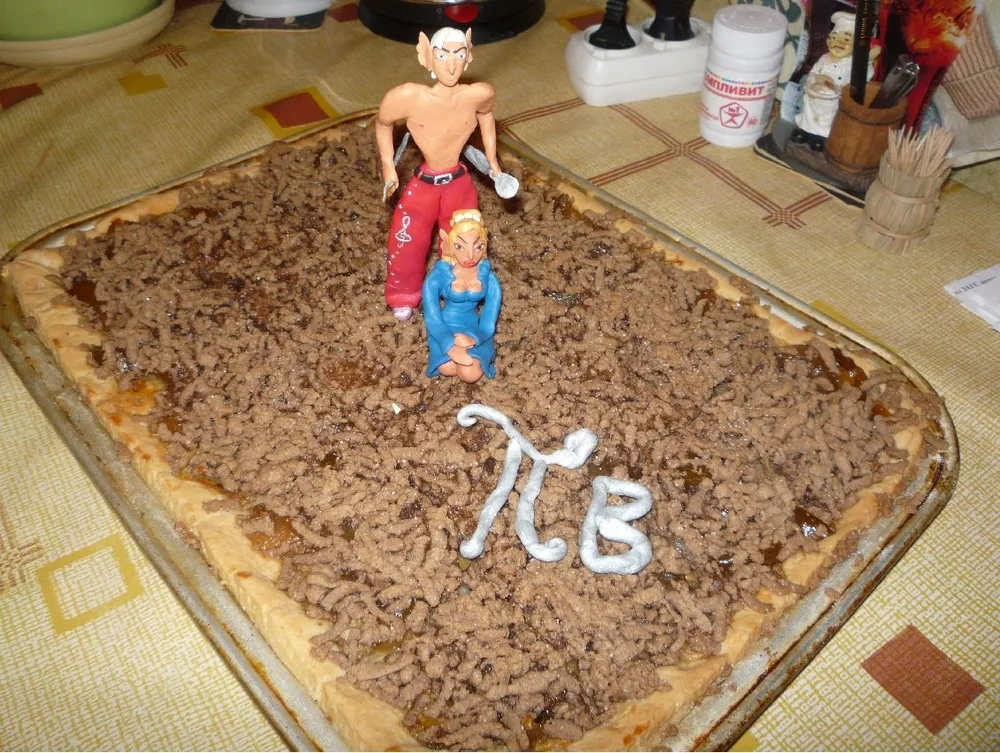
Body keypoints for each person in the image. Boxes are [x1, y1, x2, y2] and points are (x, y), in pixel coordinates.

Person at [376, 27, 502, 321]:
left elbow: (487, 115)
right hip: (424, 185)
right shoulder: (408, 97)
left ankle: (459, 289)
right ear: (426, 57)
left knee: (466, 239)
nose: (452, 65)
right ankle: (403, 295)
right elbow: (382, 123)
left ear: (469, 57)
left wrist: (492, 160)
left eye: (459, 54)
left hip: (458, 184)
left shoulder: (478, 94)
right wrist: (388, 166)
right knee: (407, 239)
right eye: (443, 55)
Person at [422, 209, 501, 384]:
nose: (470, 256)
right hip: (444, 325)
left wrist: (476, 337)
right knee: (447, 367)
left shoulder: (487, 277)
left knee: (469, 374)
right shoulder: (439, 275)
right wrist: (449, 343)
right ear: (449, 244)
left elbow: (489, 317)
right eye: (460, 246)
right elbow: (432, 314)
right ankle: (447, 349)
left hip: (474, 326)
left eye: (478, 247)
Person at [792, 12, 878, 150]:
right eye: (834, 37)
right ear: (828, 41)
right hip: (815, 97)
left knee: (827, 120)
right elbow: (814, 73)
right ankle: (805, 130)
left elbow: (861, 78)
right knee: (809, 114)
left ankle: (821, 136)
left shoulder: (852, 64)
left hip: (832, 101)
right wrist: (813, 83)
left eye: (846, 39)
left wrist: (867, 61)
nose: (838, 43)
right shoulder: (824, 58)